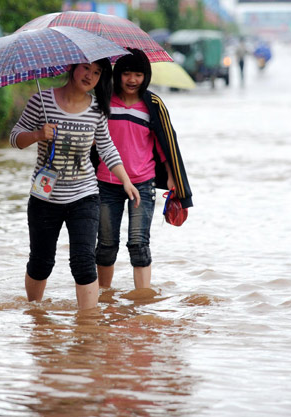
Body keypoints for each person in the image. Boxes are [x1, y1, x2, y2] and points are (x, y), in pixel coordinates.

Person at [9, 59, 141, 310]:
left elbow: (107, 147)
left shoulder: (97, 109)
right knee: (41, 263)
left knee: (82, 262)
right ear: (72, 67)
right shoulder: (42, 101)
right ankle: (36, 318)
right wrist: (38, 134)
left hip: (85, 196)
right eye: (86, 68)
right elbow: (15, 137)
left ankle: (89, 328)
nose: (90, 75)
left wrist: (126, 181)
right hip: (44, 197)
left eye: (97, 72)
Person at [92, 48, 193, 290]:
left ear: (145, 76)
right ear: (118, 74)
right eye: (127, 73)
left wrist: (172, 177)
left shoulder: (153, 104)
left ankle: (142, 299)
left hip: (142, 181)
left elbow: (166, 144)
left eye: (138, 74)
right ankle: (104, 296)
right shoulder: (103, 100)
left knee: (139, 244)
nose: (132, 80)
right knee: (106, 245)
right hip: (106, 181)